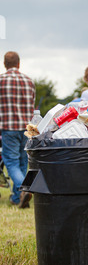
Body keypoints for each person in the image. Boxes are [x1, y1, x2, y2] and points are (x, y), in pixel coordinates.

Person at [0, 51, 36, 208]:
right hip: (27, 129)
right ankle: (17, 197)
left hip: (8, 127)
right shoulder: (29, 81)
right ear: (19, 64)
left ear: (4, 64)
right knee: (22, 161)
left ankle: (24, 188)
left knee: (11, 162)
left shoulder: (1, 80)